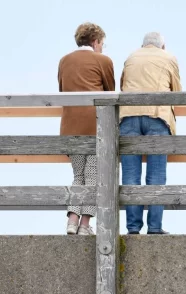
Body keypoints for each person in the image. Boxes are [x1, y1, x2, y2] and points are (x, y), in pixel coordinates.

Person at [119, 31, 182, 234]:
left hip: (128, 116)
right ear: (162, 46)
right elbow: (177, 93)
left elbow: (122, 86)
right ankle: (154, 227)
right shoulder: (169, 58)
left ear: (143, 45)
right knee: (156, 175)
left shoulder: (130, 57)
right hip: (157, 116)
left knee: (130, 175)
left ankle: (133, 228)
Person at [59, 22, 115, 235]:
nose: (102, 47)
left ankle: (71, 221)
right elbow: (110, 93)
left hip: (70, 126)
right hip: (95, 126)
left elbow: (62, 90)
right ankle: (84, 225)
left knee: (78, 176)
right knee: (92, 177)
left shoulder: (64, 61)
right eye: (102, 43)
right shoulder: (103, 61)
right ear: (95, 41)